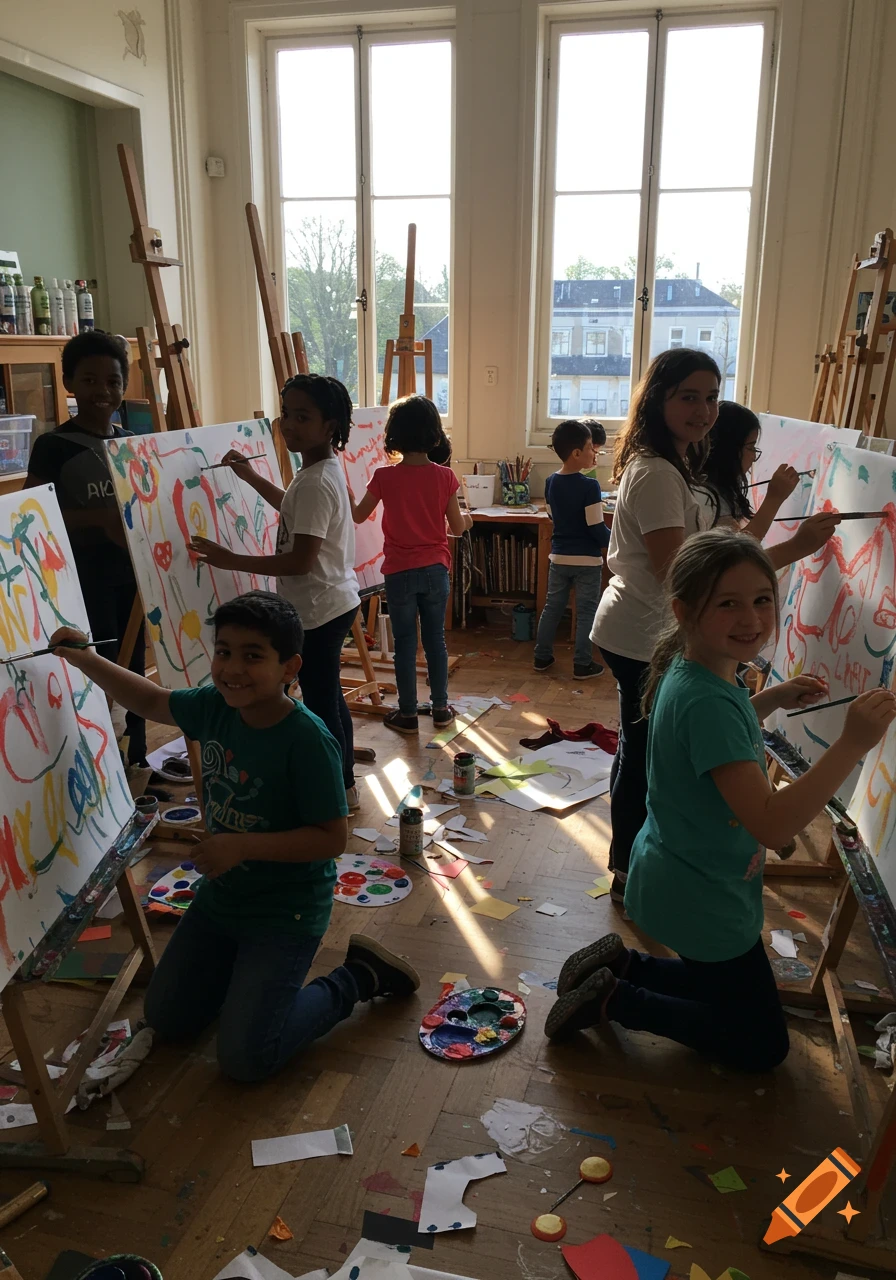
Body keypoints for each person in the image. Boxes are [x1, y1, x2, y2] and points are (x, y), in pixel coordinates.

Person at [545, 531, 896, 1071]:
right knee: (761, 1043)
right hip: (703, 896)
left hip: (679, 871)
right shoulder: (708, 697)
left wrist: (771, 699)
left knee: (722, 989)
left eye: (762, 599)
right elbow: (774, 825)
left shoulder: (695, 672)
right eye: (727, 603)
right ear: (685, 611)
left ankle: (626, 965)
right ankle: (619, 998)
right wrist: (851, 743)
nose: (750, 618)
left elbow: (711, 744)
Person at [49, 591, 419, 1082]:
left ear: (290, 668)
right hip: (222, 900)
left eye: (252, 656)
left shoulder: (307, 740)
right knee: (165, 1019)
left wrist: (242, 846)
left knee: (247, 1060)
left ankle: (357, 977)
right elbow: (152, 700)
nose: (232, 668)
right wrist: (87, 660)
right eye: (224, 651)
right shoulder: (215, 706)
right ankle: (245, 981)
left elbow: (332, 839)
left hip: (286, 911)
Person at [590, 350, 837, 901]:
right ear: (659, 399)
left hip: (652, 631)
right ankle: (630, 869)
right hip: (640, 635)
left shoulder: (677, 466)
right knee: (643, 757)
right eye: (688, 397)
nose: (703, 411)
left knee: (639, 750)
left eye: (711, 397)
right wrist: (794, 548)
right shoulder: (655, 472)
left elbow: (712, 555)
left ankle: (629, 859)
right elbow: (689, 576)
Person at [189, 374, 364, 811]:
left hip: (319, 609)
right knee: (328, 694)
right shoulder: (316, 474)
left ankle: (338, 788)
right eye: (286, 413)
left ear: (331, 425)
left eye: (302, 417)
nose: (288, 425)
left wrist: (232, 560)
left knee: (322, 701)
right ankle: (344, 780)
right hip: (331, 600)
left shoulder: (318, 481)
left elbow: (298, 561)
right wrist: (250, 478)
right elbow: (293, 507)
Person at [24, 330, 147, 767]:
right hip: (82, 577)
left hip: (131, 575)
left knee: (133, 665)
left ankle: (138, 758)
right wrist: (98, 519)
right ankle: (101, 760)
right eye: (90, 380)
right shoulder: (53, 446)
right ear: (69, 383)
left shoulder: (129, 441)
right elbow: (34, 516)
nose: (103, 391)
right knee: (100, 666)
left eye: (113, 381)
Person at [348, 395, 471, 735]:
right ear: (434, 433)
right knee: (436, 642)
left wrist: (345, 494)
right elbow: (458, 529)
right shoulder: (445, 477)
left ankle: (407, 713)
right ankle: (442, 709)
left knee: (405, 643)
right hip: (435, 570)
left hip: (399, 572)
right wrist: (468, 519)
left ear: (394, 435)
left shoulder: (384, 476)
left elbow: (358, 515)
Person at [703, 402, 840, 557]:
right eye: (750, 447)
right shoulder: (707, 496)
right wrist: (774, 498)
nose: (754, 457)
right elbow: (737, 558)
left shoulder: (719, 489)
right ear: (728, 448)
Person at [533, 419, 609, 678]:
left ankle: (541, 657)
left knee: (552, 607)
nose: (593, 453)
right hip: (587, 561)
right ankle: (582, 663)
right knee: (587, 610)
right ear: (577, 453)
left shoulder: (551, 482)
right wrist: (615, 540)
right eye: (590, 448)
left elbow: (554, 517)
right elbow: (596, 527)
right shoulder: (590, 486)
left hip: (559, 557)